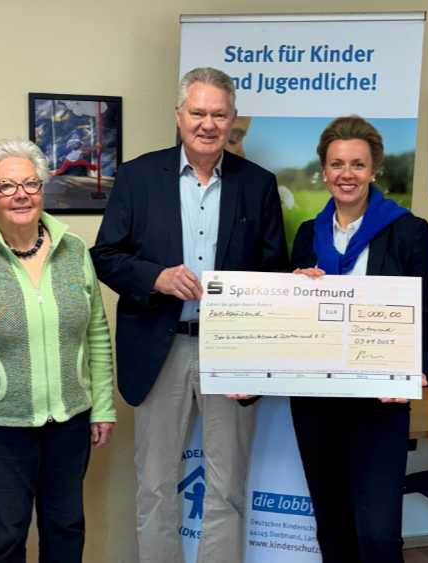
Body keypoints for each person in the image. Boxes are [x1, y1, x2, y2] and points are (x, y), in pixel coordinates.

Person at [90, 67, 287, 563]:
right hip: (161, 346)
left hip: (232, 351)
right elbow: (105, 256)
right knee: (155, 484)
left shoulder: (258, 185)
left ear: (233, 119)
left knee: (227, 485)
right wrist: (155, 277)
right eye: (197, 112)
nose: (207, 124)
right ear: (179, 115)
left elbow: (273, 270)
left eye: (219, 114)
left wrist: (295, 290)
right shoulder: (137, 176)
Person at [0, 138, 116, 563]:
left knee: (66, 528)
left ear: (42, 189)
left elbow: (96, 332)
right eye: (6, 186)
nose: (21, 194)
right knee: (4, 537)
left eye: (31, 184)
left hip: (70, 421)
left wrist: (103, 406)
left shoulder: (74, 250)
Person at [288, 116, 428, 563]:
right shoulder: (308, 234)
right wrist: (296, 289)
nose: (347, 174)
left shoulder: (408, 230)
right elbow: (292, 318)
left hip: (379, 401)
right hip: (317, 402)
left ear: (375, 170)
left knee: (377, 534)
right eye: (337, 164)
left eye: (357, 164)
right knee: (332, 525)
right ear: (324, 171)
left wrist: (417, 369)